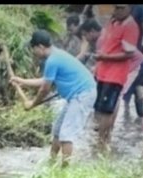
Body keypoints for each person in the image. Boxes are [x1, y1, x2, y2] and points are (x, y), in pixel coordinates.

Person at [11, 30, 97, 166]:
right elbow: (46, 80)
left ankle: (64, 171)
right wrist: (22, 81)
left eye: (33, 49)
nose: (34, 53)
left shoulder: (52, 60)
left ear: (40, 47)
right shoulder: (56, 55)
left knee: (66, 134)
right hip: (76, 95)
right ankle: (51, 163)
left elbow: (44, 89)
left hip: (83, 94)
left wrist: (32, 104)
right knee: (58, 130)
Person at [93, 4, 140, 153]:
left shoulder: (130, 26)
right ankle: (103, 139)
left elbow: (129, 54)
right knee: (101, 108)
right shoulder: (113, 21)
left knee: (107, 109)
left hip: (115, 75)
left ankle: (102, 142)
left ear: (129, 9)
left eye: (121, 8)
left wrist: (104, 56)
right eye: (116, 7)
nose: (117, 11)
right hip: (103, 71)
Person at [121, 4, 143, 118]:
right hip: (123, 52)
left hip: (135, 52)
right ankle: (129, 115)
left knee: (133, 83)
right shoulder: (121, 8)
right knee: (132, 84)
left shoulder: (141, 9)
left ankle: (135, 115)